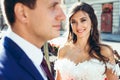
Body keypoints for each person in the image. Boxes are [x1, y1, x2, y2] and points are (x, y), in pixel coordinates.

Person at [0, 0, 65, 80]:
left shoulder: (35, 58)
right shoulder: (5, 74)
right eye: (52, 6)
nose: (63, 16)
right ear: (22, 13)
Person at [54, 2, 120, 80]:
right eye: (73, 22)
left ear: (92, 22)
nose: (78, 26)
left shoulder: (105, 52)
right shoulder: (63, 50)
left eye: (83, 20)